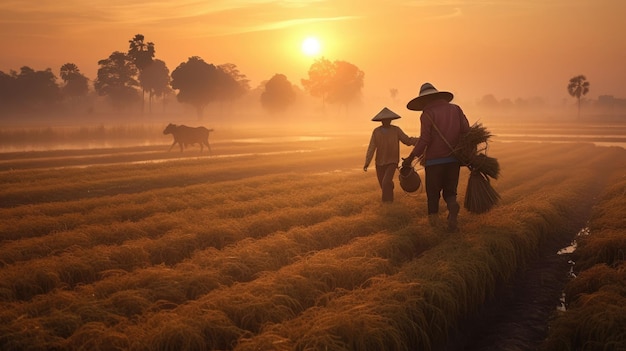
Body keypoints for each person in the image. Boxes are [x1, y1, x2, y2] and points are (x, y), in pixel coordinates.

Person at [402, 83, 470, 231]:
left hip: (434, 162)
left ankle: (433, 226)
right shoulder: (456, 109)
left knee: (433, 195)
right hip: (454, 160)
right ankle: (452, 207)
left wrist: (411, 157)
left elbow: (425, 139)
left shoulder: (427, 114)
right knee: (450, 192)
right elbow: (466, 131)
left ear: (424, 100)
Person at [364, 107, 418, 203]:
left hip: (392, 162)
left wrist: (419, 141)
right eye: (384, 120)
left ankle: (387, 204)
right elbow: (371, 147)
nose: (386, 121)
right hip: (379, 162)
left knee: (385, 183)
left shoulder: (396, 130)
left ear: (391, 120)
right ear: (381, 121)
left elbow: (407, 140)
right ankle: (390, 196)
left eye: (388, 120)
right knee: (384, 185)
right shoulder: (376, 131)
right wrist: (367, 162)